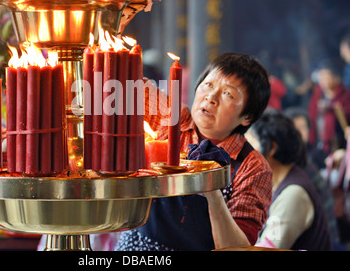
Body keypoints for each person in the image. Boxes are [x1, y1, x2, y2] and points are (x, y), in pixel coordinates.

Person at [115, 52, 273, 251]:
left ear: (247, 117)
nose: (211, 98)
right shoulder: (171, 120)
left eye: (228, 94)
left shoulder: (253, 168)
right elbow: (123, 86)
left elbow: (236, 247)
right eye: (208, 85)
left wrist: (212, 188)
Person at [249, 109, 332, 250]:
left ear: (271, 148)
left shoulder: (293, 194)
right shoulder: (279, 181)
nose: (244, 154)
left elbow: (267, 247)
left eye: (250, 145)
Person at [308, 60, 350, 155]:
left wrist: (334, 108)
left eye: (326, 77)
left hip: (340, 140)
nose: (323, 81)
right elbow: (312, 115)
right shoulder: (317, 94)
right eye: (321, 78)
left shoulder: (344, 94)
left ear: (336, 78)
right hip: (320, 139)